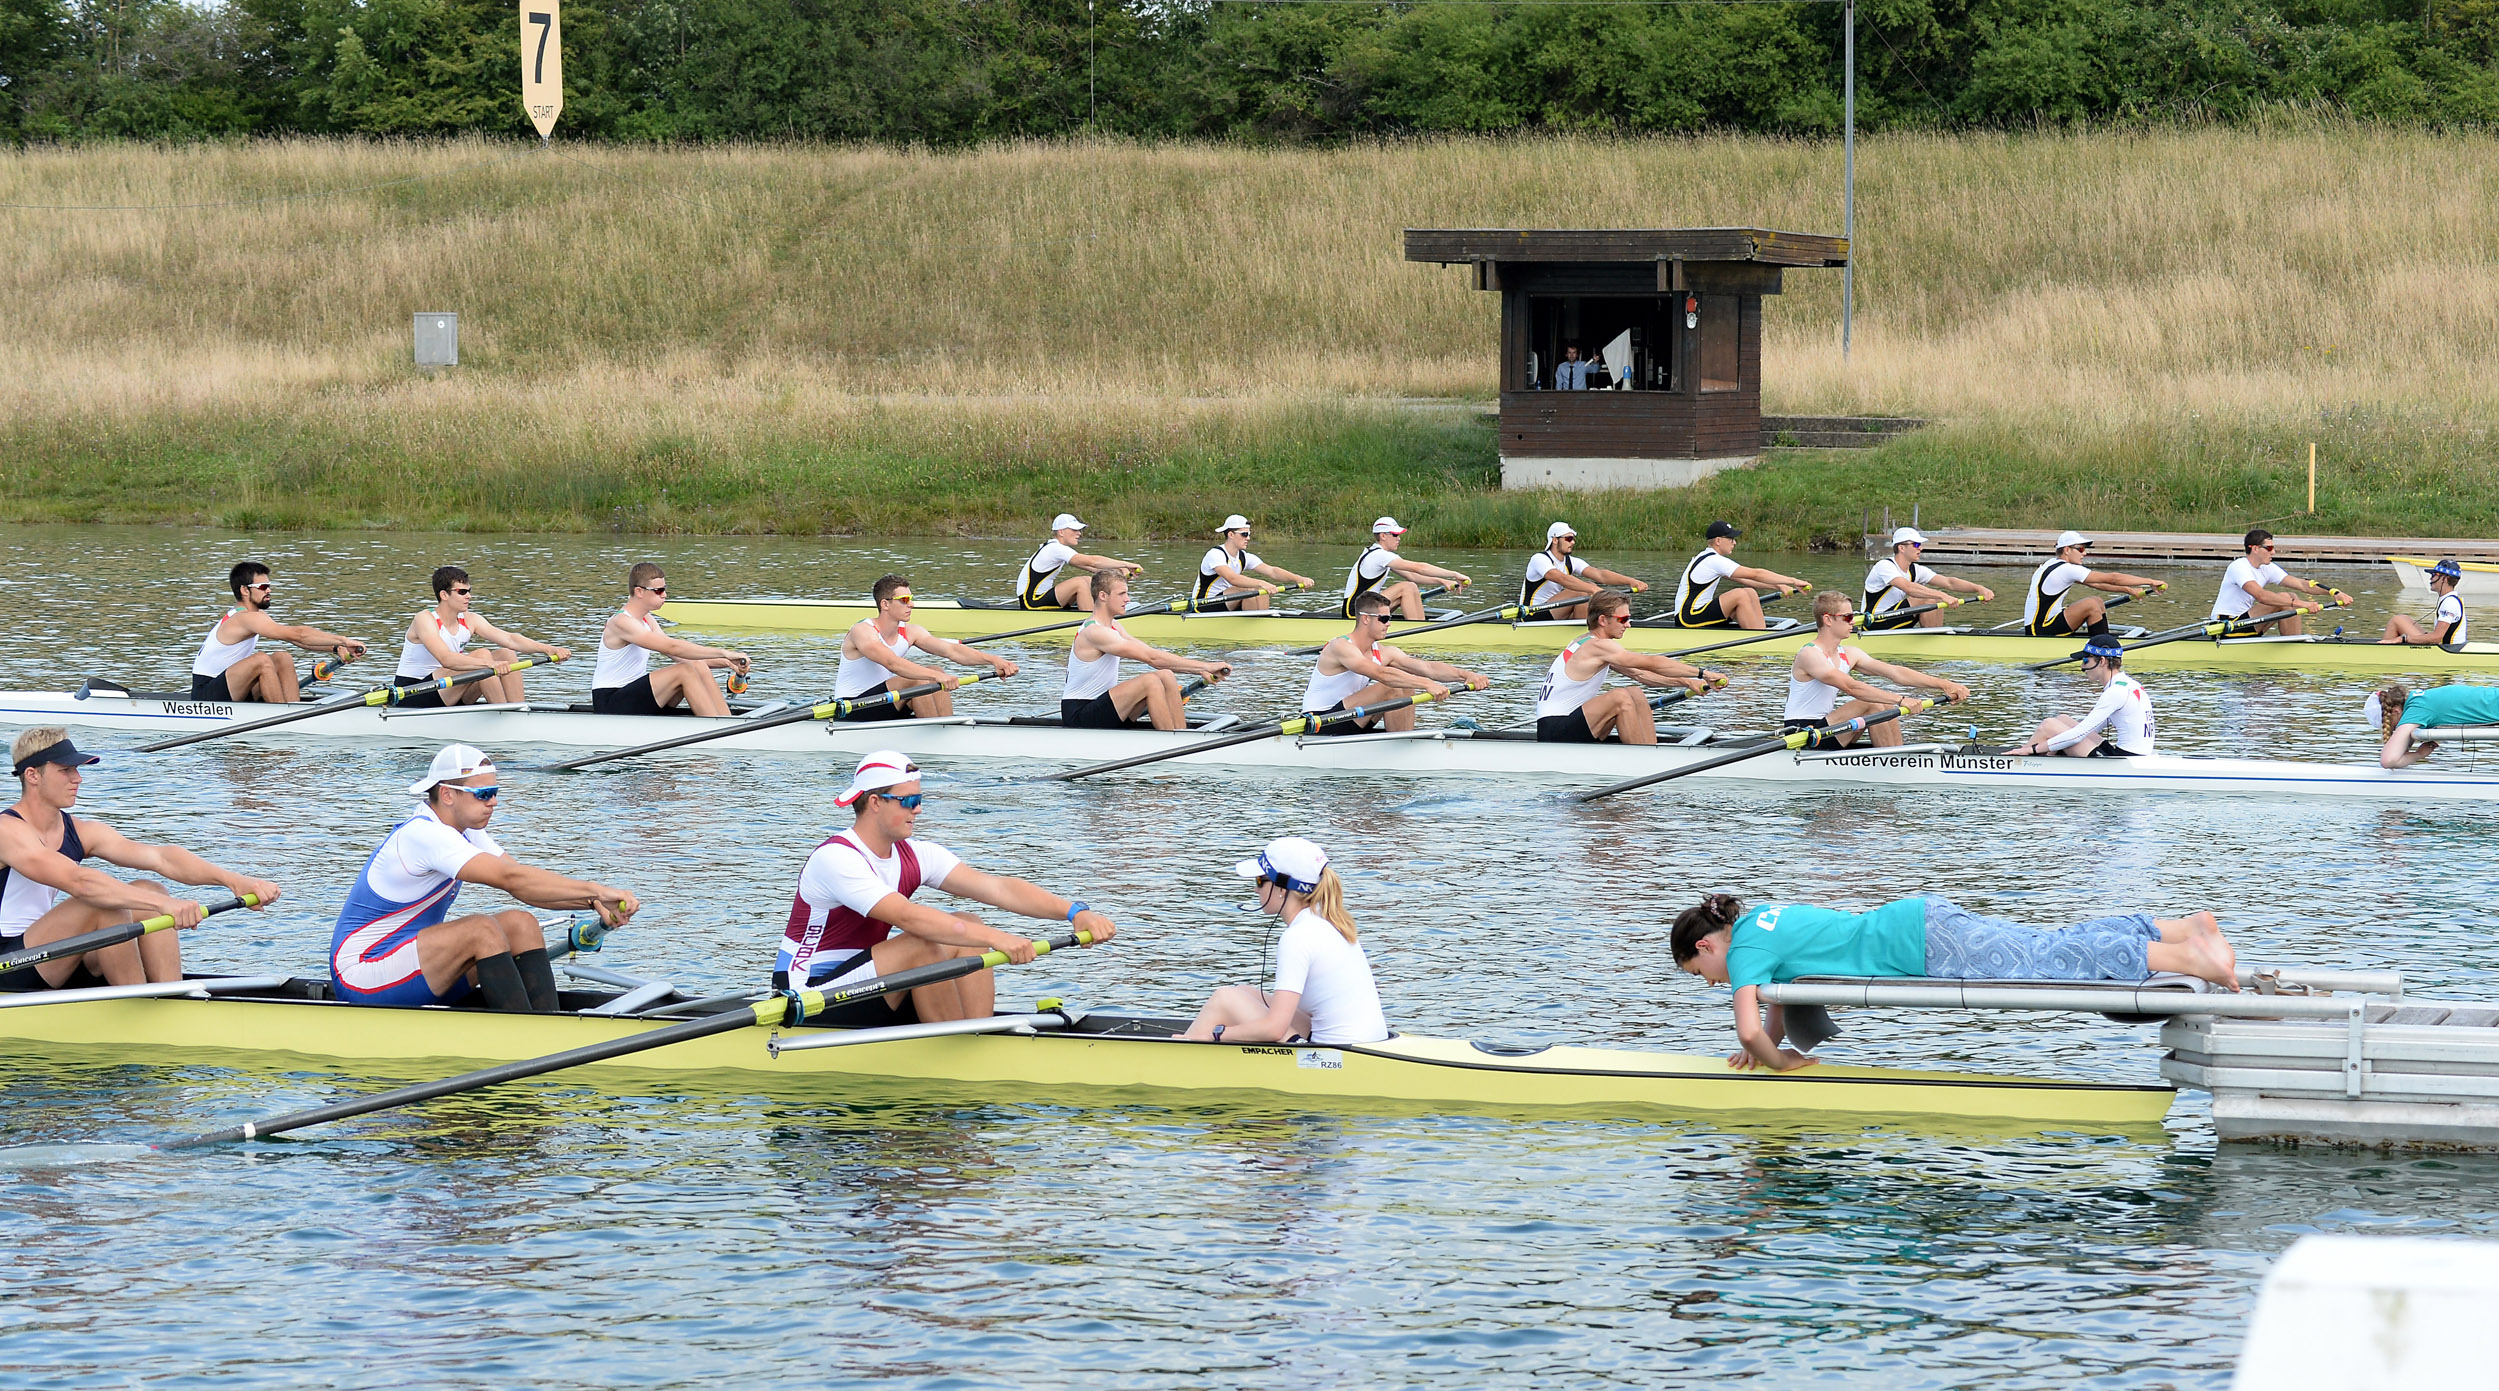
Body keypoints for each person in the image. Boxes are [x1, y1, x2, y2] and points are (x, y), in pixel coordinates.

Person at [1671, 892, 2240, 1072]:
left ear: (1706, 947)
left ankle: (2188, 957)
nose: (1715, 983)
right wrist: (1783, 1043)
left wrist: (1778, 1061)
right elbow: (1778, 996)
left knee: (2043, 967)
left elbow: (1749, 1030)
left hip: (1921, 944)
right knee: (2042, 945)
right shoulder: (1760, 921)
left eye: (1703, 976)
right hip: (1915, 922)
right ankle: (2181, 927)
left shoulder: (1742, 952)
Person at [775, 751, 1120, 1026]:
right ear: (876, 802)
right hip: (810, 996)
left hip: (873, 983)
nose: (919, 809)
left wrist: (1076, 912)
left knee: (970, 921)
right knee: (926, 943)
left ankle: (976, 1033)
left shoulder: (917, 853)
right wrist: (1002, 939)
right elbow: (909, 917)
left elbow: (998, 888)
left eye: (919, 798)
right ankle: (959, 1051)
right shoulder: (836, 858)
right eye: (908, 801)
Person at [331, 745, 639, 1012]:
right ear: (447, 794)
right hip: (362, 975)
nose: (493, 802)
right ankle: (529, 1041)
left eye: (495, 793)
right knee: (480, 930)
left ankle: (545, 1025)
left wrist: (594, 902)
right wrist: (597, 890)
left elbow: (527, 888)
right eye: (484, 794)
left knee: (521, 924)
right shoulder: (422, 834)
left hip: (409, 967)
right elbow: (511, 878)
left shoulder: (468, 832)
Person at [0, 729, 281, 992]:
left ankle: (171, 997)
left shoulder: (80, 831)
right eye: (65, 770)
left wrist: (235, 881)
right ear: (33, 775)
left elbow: (162, 858)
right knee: (105, 906)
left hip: (48, 954)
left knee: (150, 889)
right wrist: (165, 906)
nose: (78, 778)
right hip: (7, 965)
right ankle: (142, 1006)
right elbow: (78, 881)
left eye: (76, 769)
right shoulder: (7, 831)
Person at [1183, 836, 1387, 1046]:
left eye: (1260, 881)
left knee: (1223, 998)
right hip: (1363, 1041)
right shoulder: (1328, 922)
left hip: (1338, 1054)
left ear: (1282, 889)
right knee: (1245, 993)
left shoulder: (1297, 937)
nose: (1255, 889)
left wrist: (1216, 1034)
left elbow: (1275, 1029)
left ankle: (1185, 1052)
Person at [1782, 592, 1971, 747]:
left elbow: (1896, 672)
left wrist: (1945, 684)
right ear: (1828, 620)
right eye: (1847, 617)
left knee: (1884, 705)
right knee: (1871, 703)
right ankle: (1895, 763)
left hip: (1828, 729)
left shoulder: (1850, 653)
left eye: (1853, 616)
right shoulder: (1809, 654)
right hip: (1802, 733)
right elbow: (1852, 688)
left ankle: (1896, 755)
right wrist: (1902, 700)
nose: (1853, 621)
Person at [1535, 594, 1723, 744]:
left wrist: (1686, 682)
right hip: (1554, 731)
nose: (1628, 624)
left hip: (1569, 724)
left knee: (1635, 692)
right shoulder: (1597, 647)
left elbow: (1641, 674)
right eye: (1623, 619)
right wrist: (1702, 673)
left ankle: (1651, 751)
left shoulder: (1586, 641)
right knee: (1620, 698)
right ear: (1602, 620)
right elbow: (1651, 663)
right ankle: (1640, 760)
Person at [835, 574, 1019, 721]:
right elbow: (892, 663)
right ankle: (939, 739)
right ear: (885, 604)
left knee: (935, 669)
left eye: (911, 599)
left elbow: (952, 650)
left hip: (886, 705)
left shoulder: (911, 632)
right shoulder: (862, 631)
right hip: (852, 708)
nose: (912, 604)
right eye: (904, 600)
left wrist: (994, 660)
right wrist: (935, 677)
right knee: (921, 679)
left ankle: (946, 727)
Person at [1063, 571, 1233, 730]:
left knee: (1165, 675)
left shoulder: (1114, 626)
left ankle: (1181, 733)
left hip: (1104, 707)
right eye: (1121, 594)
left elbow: (1150, 652)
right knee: (1150, 682)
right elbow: (1152, 659)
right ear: (1103, 596)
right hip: (1079, 714)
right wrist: (1204, 667)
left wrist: (1200, 670)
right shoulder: (1095, 632)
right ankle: (1173, 742)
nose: (1128, 599)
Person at [1305, 591, 1490, 734]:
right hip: (1320, 723)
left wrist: (1467, 675)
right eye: (1384, 619)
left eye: (1390, 618)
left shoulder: (1384, 652)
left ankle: (1404, 739)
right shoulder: (1340, 646)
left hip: (1350, 718)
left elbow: (1428, 668)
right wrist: (1427, 685)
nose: (1389, 624)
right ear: (1366, 619)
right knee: (1390, 686)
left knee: (1406, 684)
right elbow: (1380, 674)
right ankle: (1404, 748)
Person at [189, 560, 368, 703]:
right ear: (244, 590)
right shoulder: (243, 618)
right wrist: (344, 640)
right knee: (261, 660)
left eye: (268, 586)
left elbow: (296, 639)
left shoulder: (256, 615)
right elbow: (298, 633)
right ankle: (283, 717)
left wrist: (336, 648)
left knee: (282, 658)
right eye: (262, 587)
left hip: (232, 686)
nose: (269, 590)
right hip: (206, 695)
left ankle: (294, 709)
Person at [392, 565, 572, 707]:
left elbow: (511, 639)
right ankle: (503, 712)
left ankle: (518, 710)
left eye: (469, 591)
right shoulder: (424, 619)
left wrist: (548, 649)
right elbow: (446, 659)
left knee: (506, 654)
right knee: (482, 655)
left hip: (448, 691)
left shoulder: (470, 620)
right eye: (462, 592)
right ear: (444, 595)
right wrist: (488, 663)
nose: (468, 596)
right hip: (413, 693)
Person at [591, 562, 751, 718]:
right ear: (639, 591)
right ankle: (716, 728)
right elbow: (672, 647)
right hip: (610, 702)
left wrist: (727, 662)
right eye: (659, 591)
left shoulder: (647, 619)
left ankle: (726, 720)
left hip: (633, 696)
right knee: (684, 670)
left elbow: (680, 655)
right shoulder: (621, 622)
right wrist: (723, 652)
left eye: (664, 589)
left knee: (698, 665)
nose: (665, 595)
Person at [2009, 633, 2155, 757]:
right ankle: (2041, 758)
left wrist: (2032, 749)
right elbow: (2092, 728)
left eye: (2086, 660)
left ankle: (2023, 758)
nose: (2082, 667)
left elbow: (2077, 735)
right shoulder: (2128, 684)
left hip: (2124, 760)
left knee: (2049, 725)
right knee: (2062, 719)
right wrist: (2056, 743)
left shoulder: (2115, 692)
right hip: (2131, 755)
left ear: (2102, 661)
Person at [1671, 521, 1808, 629]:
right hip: (1688, 618)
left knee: (1749, 592)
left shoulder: (1709, 558)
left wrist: (1779, 586)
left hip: (1698, 613)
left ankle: (1761, 633)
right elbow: (1755, 574)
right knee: (1740, 595)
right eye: (1731, 539)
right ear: (1718, 541)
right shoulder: (1713, 560)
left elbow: (1746, 579)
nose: (1734, 542)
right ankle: (1759, 640)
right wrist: (1793, 581)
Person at [2022, 531, 2161, 637]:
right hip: (2040, 630)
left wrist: (2130, 590)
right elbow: (2113, 578)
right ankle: (2103, 651)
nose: (2085, 553)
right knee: (2091, 604)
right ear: (2067, 550)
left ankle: (2103, 642)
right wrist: (2150, 581)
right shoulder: (2066, 569)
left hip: (2041, 625)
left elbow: (2098, 583)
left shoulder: (2052, 564)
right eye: (2081, 549)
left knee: (2097, 601)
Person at [2212, 529, 2343, 636]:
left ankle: (2295, 645)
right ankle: (2295, 648)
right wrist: (2301, 604)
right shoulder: (2238, 566)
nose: (2273, 552)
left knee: (2291, 596)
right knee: (2288, 598)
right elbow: (2261, 596)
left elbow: (2302, 584)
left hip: (2246, 624)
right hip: (2225, 625)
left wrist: (2334, 592)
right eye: (2269, 548)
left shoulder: (2267, 568)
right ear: (2255, 549)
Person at [1861, 527, 1994, 629]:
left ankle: (1936, 636)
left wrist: (1979, 588)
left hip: (1895, 619)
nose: (1921, 548)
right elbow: (1908, 588)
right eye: (1916, 545)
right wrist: (1942, 595)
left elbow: (1949, 582)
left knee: (1934, 597)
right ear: (1901, 547)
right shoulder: (1884, 566)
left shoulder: (1916, 570)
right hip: (1873, 622)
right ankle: (1934, 639)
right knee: (1929, 597)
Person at [1343, 517, 1471, 620]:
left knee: (1409, 587)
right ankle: (1419, 629)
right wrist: (1454, 574)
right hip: (1355, 613)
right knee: (1408, 587)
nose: (1399, 538)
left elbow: (1413, 576)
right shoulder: (1378, 555)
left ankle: (1419, 625)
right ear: (1383, 536)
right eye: (1395, 534)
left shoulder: (1381, 555)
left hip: (1366, 608)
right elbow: (1419, 568)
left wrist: (1442, 581)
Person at [1522, 521, 1649, 620]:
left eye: (1573, 539)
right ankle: (1584, 635)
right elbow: (1561, 578)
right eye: (1568, 539)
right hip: (1531, 614)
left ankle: (1589, 628)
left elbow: (1600, 575)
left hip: (1555, 612)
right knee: (1584, 590)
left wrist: (1631, 581)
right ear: (1555, 540)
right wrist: (1592, 590)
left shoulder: (1571, 561)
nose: (1572, 542)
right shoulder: (1539, 559)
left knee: (1590, 587)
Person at [1020, 514, 1141, 611]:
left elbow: (1095, 569)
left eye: (1079, 530)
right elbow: (1093, 561)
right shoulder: (1054, 548)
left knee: (1088, 580)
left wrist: (1119, 573)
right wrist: (1125, 564)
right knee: (1080, 583)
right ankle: (1092, 621)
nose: (1079, 533)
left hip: (1040, 598)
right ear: (1061, 532)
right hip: (1031, 602)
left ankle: (1103, 611)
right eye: (1074, 530)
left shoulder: (1057, 548)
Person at [2368, 681, 2499, 768]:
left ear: (2395, 711)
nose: (2396, 729)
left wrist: (2419, 754)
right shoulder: (2420, 698)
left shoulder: (2417, 710)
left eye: (2391, 725)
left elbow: (2388, 761)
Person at [1194, 515, 1312, 611]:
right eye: (1244, 534)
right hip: (1203, 604)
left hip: (1227, 602)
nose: (1248, 538)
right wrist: (1261, 583)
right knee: (1251, 589)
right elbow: (1233, 578)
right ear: (1231, 534)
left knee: (1261, 591)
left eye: (1249, 534)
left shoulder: (1244, 557)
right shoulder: (1215, 554)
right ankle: (1256, 627)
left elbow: (1272, 571)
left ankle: (1261, 622)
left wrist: (1298, 578)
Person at [2381, 559, 2471, 647]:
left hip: (2447, 651)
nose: (2431, 578)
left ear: (2444, 578)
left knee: (2396, 621)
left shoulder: (2449, 603)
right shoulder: (2450, 600)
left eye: (2434, 574)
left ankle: (2383, 654)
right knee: (2403, 618)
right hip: (2445, 647)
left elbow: (2437, 637)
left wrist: (2403, 639)